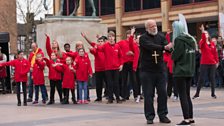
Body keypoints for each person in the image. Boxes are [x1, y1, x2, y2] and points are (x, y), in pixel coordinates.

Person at [139, 19, 171, 124]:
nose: (154, 28)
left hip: (160, 70)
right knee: (148, 94)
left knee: (162, 93)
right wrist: (163, 47)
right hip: (147, 71)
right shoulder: (143, 38)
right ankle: (149, 116)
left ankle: (163, 115)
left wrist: (170, 47)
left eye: (155, 25)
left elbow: (167, 47)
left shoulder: (161, 36)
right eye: (152, 26)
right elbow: (150, 46)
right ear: (147, 28)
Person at [171, 21, 196, 125]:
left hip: (180, 71)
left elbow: (175, 56)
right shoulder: (191, 40)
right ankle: (190, 117)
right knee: (187, 95)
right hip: (189, 70)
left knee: (183, 96)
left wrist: (172, 51)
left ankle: (186, 119)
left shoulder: (179, 40)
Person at [192, 24, 219, 99]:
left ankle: (213, 93)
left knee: (212, 78)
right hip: (204, 63)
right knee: (201, 78)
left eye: (207, 33)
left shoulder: (212, 43)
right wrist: (203, 31)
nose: (206, 34)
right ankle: (197, 93)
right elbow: (203, 39)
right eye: (205, 33)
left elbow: (215, 53)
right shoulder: (202, 43)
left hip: (212, 63)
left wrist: (217, 61)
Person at [96, 31, 123, 104]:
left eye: (112, 36)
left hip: (116, 68)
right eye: (110, 37)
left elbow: (120, 56)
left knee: (116, 83)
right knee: (109, 84)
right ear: (108, 38)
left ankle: (118, 98)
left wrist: (121, 64)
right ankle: (110, 98)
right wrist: (98, 42)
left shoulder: (117, 46)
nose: (111, 38)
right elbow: (99, 49)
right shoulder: (105, 45)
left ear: (114, 38)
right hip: (108, 68)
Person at [81, 33, 107, 102]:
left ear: (104, 42)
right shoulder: (96, 47)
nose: (100, 42)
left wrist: (100, 37)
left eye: (102, 41)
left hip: (106, 68)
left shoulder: (106, 47)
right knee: (99, 84)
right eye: (99, 41)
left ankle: (109, 95)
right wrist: (85, 36)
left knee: (108, 83)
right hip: (98, 69)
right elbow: (91, 44)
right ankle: (99, 97)